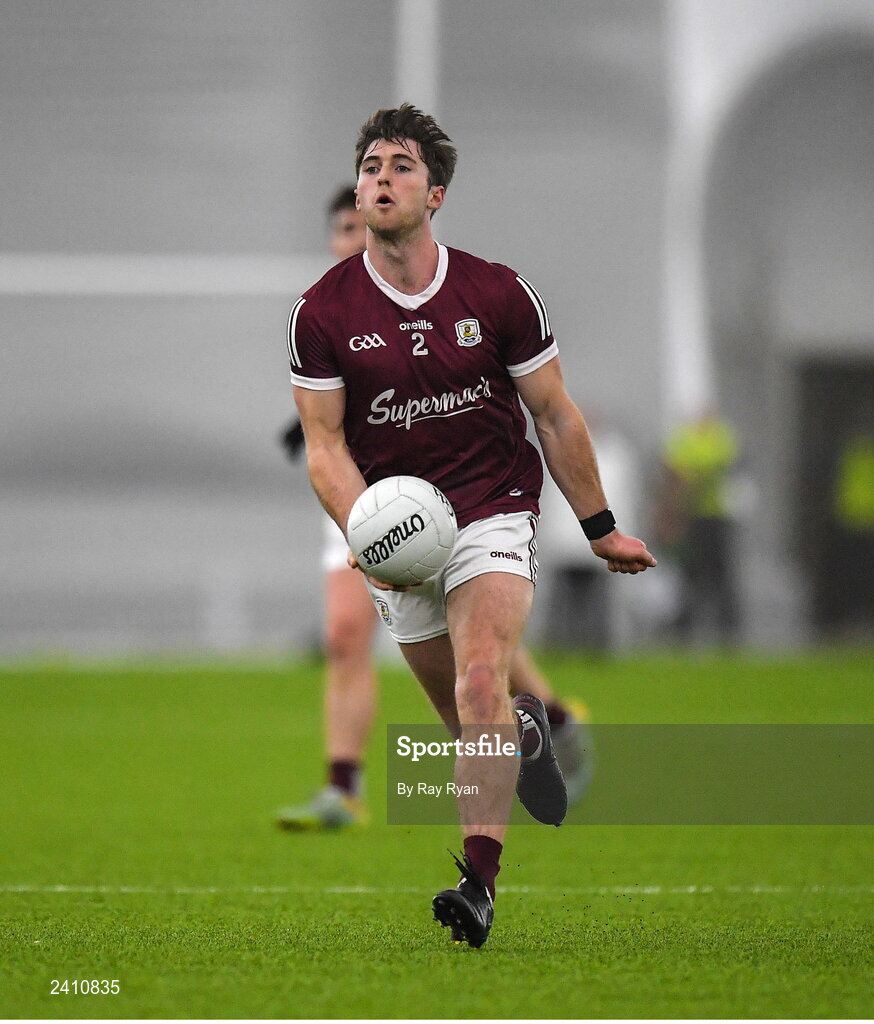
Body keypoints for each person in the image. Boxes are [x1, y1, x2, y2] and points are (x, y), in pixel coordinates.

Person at [287, 105, 655, 947]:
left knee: (482, 681)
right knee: (470, 727)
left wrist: (600, 528)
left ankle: (479, 885)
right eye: (370, 163)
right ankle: (528, 736)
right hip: (400, 534)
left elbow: (556, 416)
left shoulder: (495, 290)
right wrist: (364, 533)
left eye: (400, 165)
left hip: (492, 508)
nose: (379, 176)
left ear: (437, 192)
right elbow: (325, 447)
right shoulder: (320, 312)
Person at [277, 187, 594, 830]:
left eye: (352, 224)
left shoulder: (450, 292)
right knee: (346, 636)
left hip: (458, 497)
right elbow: (325, 430)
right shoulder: (324, 311)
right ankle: (344, 787)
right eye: (339, 226)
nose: (347, 237)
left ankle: (545, 719)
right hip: (361, 505)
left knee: (479, 651)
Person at [659, 410, 740, 644]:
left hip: (715, 516)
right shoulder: (685, 438)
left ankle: (728, 630)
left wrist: (692, 476)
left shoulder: (721, 437)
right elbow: (674, 472)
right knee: (687, 574)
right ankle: (683, 631)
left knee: (720, 575)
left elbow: (716, 468)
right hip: (688, 517)